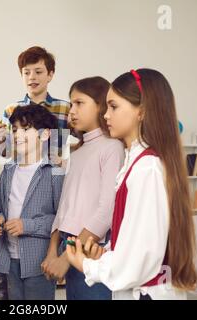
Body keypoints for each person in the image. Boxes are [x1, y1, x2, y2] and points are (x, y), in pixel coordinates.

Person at [66, 69, 197, 300]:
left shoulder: (146, 169)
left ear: (142, 111)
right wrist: (105, 255)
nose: (106, 115)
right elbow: (135, 242)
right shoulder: (137, 163)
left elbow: (140, 259)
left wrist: (88, 266)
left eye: (114, 107)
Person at [0, 46, 70, 299]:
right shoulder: (11, 110)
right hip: (20, 175)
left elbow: (59, 218)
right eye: (26, 72)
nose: (32, 77)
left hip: (48, 180)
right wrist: (1, 140)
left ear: (50, 74)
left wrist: (67, 159)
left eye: (38, 71)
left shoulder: (65, 108)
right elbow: (6, 152)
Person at [43, 77, 124, 300]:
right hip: (70, 246)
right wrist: (53, 250)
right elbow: (64, 207)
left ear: (100, 105)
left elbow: (107, 211)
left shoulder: (112, 148)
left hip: (91, 250)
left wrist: (66, 257)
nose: (72, 111)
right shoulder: (76, 152)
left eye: (79, 103)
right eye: (71, 104)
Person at [0, 104, 64, 300]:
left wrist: (27, 225)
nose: (17, 134)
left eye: (26, 128)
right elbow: (0, 209)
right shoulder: (8, 170)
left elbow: (61, 219)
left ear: (46, 134)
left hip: (38, 262)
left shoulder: (54, 172)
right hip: (7, 260)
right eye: (14, 130)